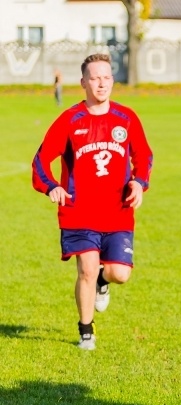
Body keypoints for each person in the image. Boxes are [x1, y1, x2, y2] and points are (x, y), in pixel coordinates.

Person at [32, 53, 153, 350]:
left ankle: (103, 281)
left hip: (118, 212)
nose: (102, 84)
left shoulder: (126, 118)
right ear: (83, 82)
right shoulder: (70, 120)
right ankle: (86, 331)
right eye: (95, 78)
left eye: (107, 77)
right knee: (86, 268)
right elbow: (41, 160)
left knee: (119, 274)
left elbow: (144, 155)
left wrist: (139, 182)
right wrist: (51, 186)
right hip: (79, 212)